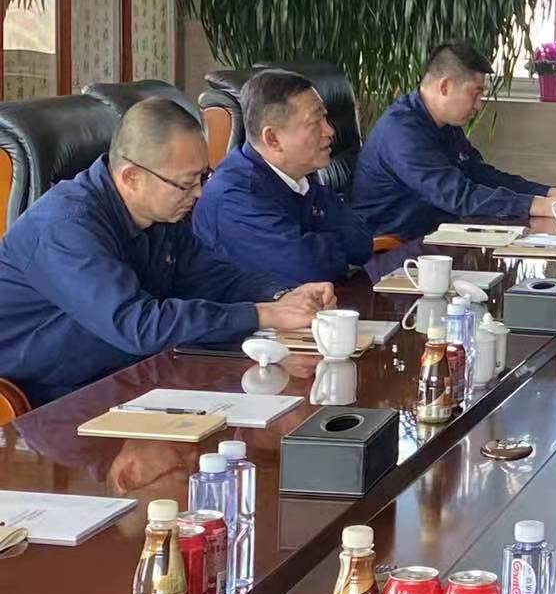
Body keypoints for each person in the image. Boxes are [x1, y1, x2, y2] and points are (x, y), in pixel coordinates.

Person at [0, 99, 335, 407]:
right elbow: (139, 325)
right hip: (44, 402)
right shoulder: (65, 228)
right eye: (186, 183)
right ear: (132, 177)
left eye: (203, 177)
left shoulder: (163, 213)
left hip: (131, 375)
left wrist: (282, 296)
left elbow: (215, 277)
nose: (199, 193)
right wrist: (263, 314)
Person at [353, 41, 556, 240]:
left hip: (435, 238)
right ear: (444, 86)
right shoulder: (402, 132)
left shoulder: (444, 124)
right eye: (475, 93)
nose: (478, 105)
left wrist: (549, 192)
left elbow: (479, 174)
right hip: (392, 250)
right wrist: (541, 206)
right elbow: (458, 196)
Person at [193, 70, 373, 285]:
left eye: (325, 117)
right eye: (315, 122)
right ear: (272, 138)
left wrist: (313, 245)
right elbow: (307, 270)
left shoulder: (302, 177)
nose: (330, 131)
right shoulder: (234, 196)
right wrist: (327, 246)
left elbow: (362, 243)